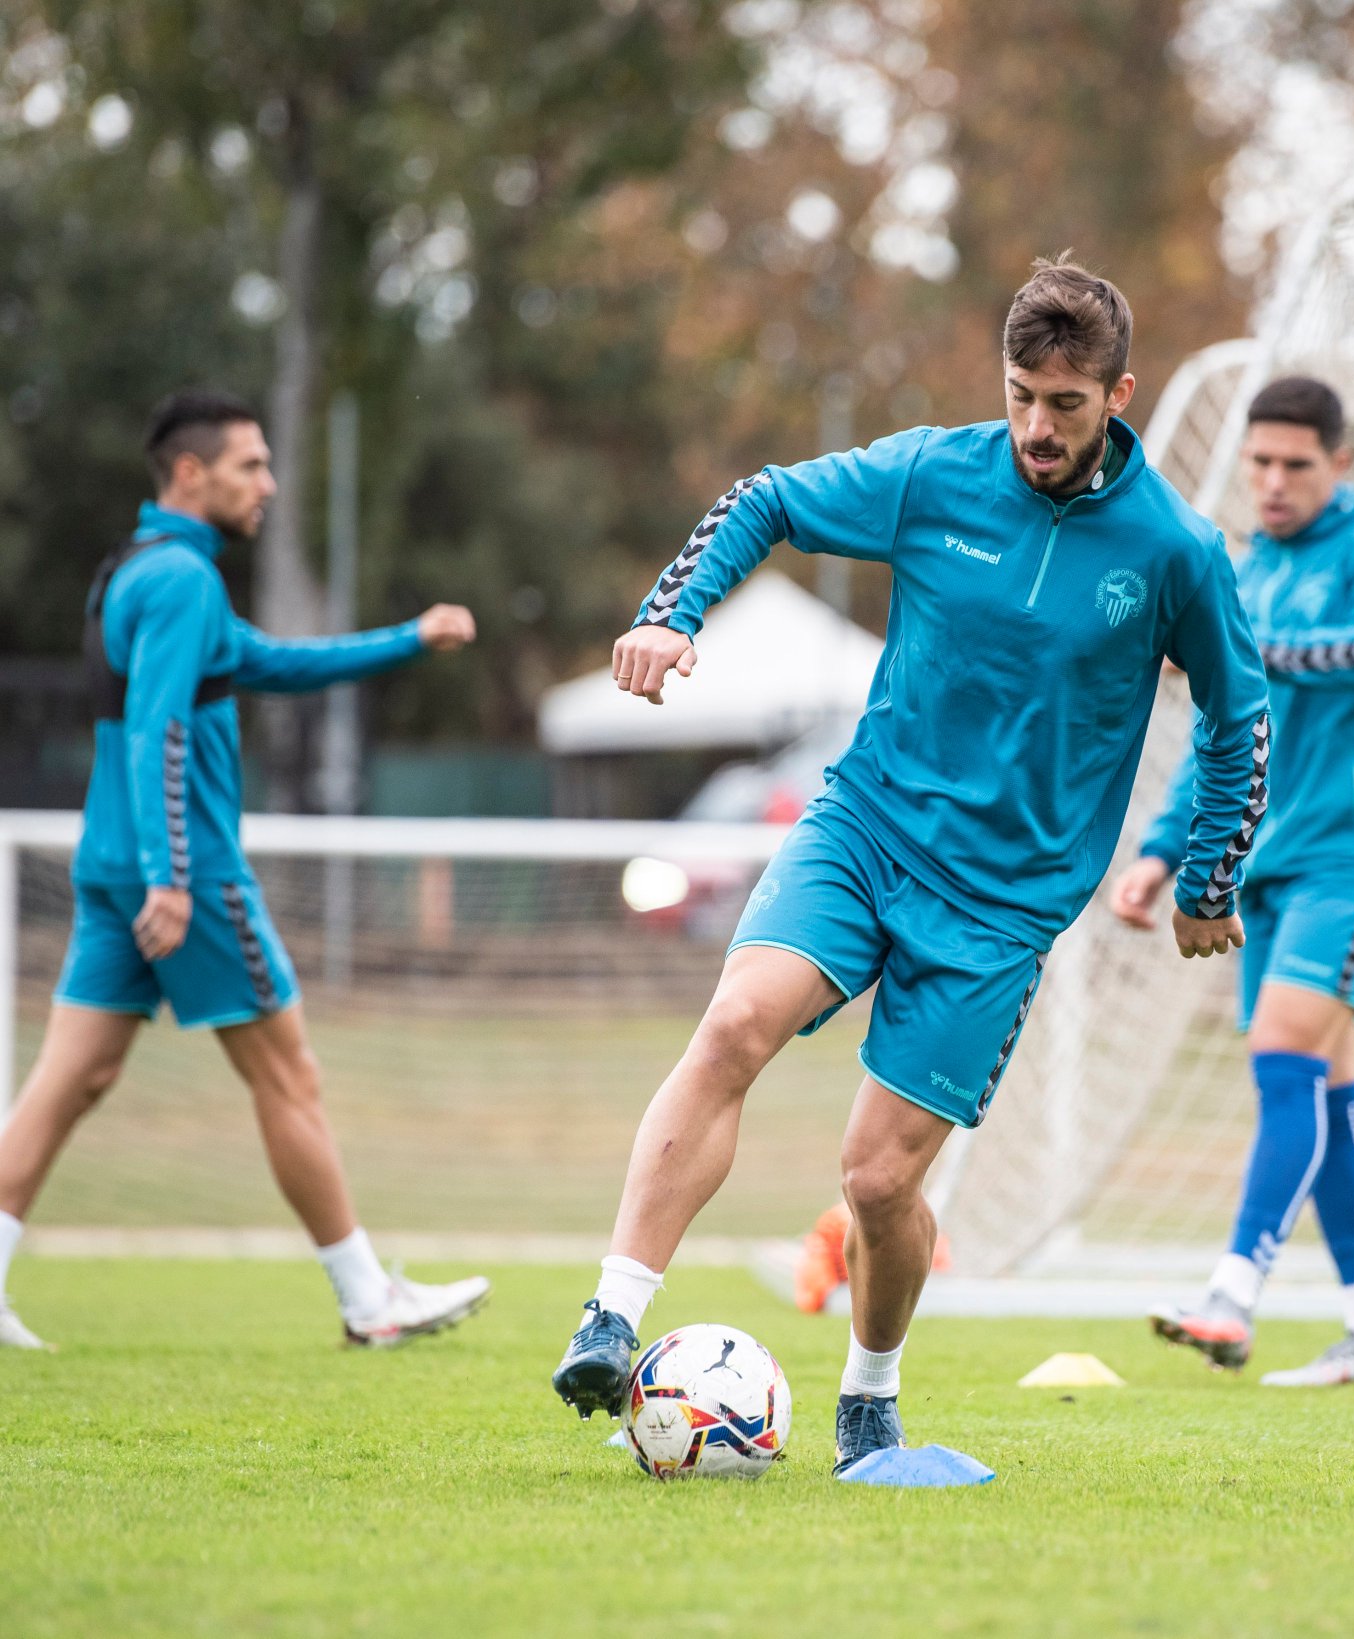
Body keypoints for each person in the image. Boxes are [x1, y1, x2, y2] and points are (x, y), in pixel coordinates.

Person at [551, 257, 1271, 1473]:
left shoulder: (1171, 551)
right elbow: (763, 499)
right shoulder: (935, 472)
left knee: (876, 1179)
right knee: (734, 1025)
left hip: (999, 911)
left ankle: (868, 1404)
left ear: (1118, 394)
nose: (1035, 429)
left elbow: (1237, 713)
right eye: (1019, 396)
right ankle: (612, 1313)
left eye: (1064, 404)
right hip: (863, 830)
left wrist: (1206, 877)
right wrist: (675, 612)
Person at [0, 390, 491, 1352]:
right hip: (188, 873)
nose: (268, 483)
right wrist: (174, 876)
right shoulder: (183, 581)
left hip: (111, 864)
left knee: (71, 1078)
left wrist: (407, 637)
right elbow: (158, 729)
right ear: (191, 472)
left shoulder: (135, 571)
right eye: (251, 465)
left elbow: (269, 663)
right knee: (289, 1076)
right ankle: (368, 1301)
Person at [1111, 376, 1354, 1387]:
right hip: (1264, 869)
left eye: (1296, 462)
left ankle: (1231, 1293)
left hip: (1353, 855)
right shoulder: (1241, 570)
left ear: (1340, 465)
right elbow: (1223, 737)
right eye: (1259, 462)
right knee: (1326, 1096)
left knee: (1279, 1050)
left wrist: (1248, 651)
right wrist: (1162, 853)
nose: (1273, 480)